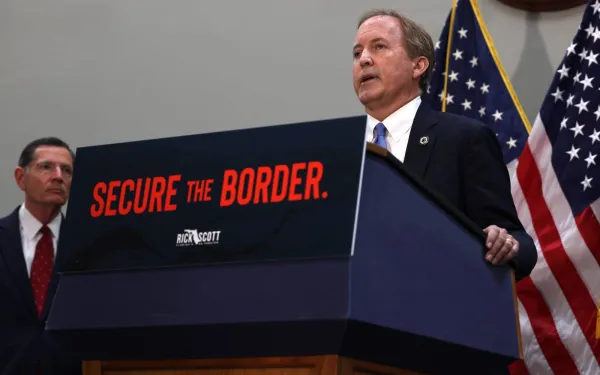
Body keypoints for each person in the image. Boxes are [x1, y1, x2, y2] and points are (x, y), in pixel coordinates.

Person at [352, 9, 536, 372]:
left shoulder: (463, 139)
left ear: (418, 65)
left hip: (442, 346)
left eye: (378, 47)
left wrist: (506, 243)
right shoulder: (340, 151)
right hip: (357, 342)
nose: (364, 59)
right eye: (357, 53)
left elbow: (520, 243)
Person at [0, 137, 81, 375]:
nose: (58, 176)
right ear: (20, 178)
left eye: (66, 170)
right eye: (46, 166)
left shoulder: (87, 243)